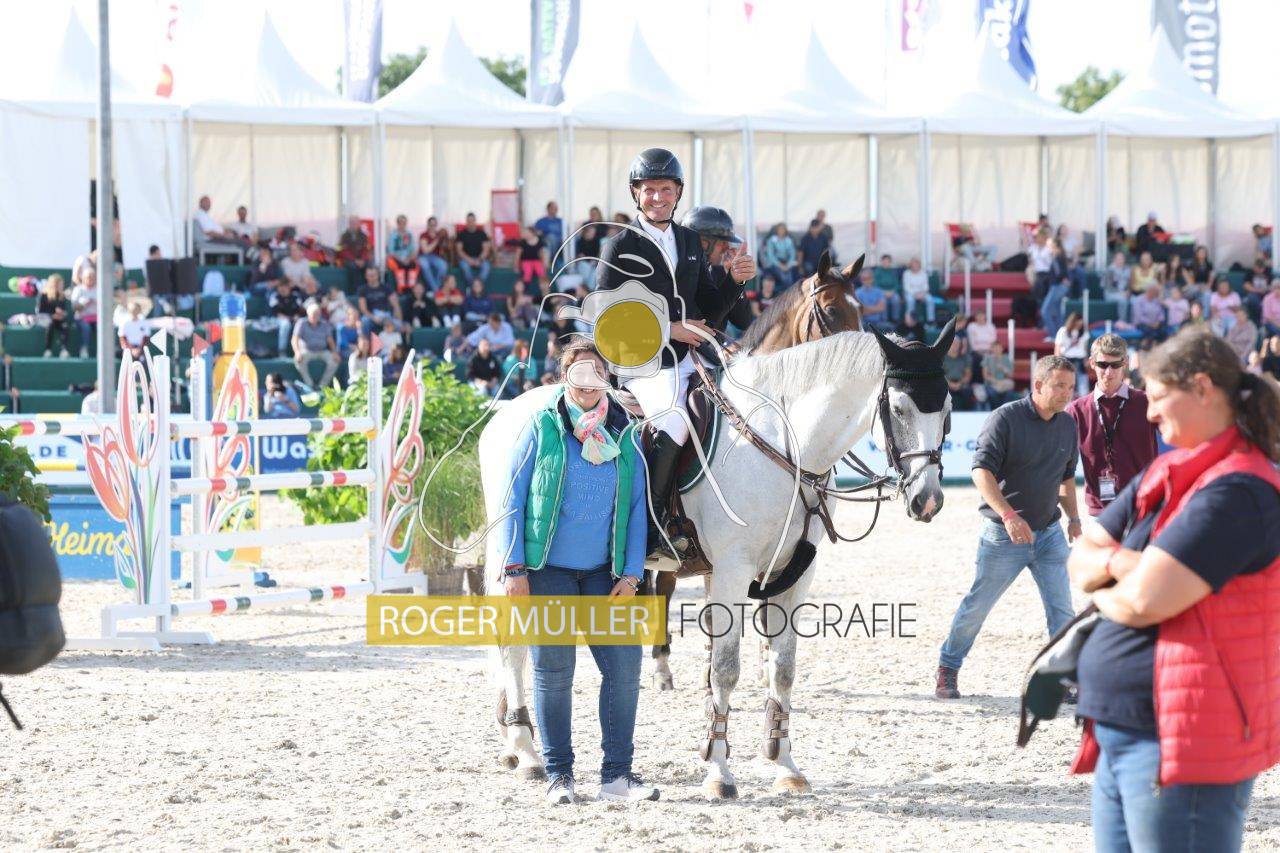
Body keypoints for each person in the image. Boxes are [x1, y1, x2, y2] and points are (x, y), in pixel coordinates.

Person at [1066, 330, 1280, 853]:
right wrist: (1125, 566)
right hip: (1124, 729)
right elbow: (1082, 556)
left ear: (1202, 388)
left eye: (1160, 397)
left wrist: (1107, 592)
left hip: (1184, 739)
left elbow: (1144, 603)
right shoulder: (1168, 470)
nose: (1152, 412)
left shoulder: (1240, 489)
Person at [495, 335, 655, 805]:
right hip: (547, 571)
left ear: (606, 379)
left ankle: (617, 776)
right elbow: (512, 499)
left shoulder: (625, 434)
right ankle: (560, 775)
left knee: (625, 669)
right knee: (553, 672)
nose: (587, 384)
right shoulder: (541, 427)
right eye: (578, 374)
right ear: (564, 377)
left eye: (596, 374)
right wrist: (513, 567)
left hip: (606, 574)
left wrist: (631, 573)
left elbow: (636, 508)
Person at [595, 148, 751, 559]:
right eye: (649, 189)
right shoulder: (619, 245)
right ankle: (652, 529)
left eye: (666, 189)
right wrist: (670, 329)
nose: (658, 197)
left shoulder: (688, 240)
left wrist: (733, 282)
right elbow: (606, 317)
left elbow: (708, 308)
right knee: (676, 420)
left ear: (678, 192)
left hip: (690, 357)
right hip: (643, 363)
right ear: (636, 193)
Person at [936, 356, 1082, 699]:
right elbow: (980, 471)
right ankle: (947, 668)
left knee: (1062, 610)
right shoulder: (1005, 419)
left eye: (1071, 387)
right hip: (1003, 536)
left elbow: (1066, 479)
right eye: (1060, 386)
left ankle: (1062, 679)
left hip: (1050, 535)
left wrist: (1075, 519)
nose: (1067, 394)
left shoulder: (1067, 424)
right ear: (1038, 385)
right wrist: (1009, 515)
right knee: (977, 607)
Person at [1066, 334, 1159, 519]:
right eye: (1103, 365)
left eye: (1115, 365)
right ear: (1092, 363)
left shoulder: (1148, 402)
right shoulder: (1076, 410)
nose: (1109, 372)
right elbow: (1060, 465)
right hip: (1099, 511)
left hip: (1143, 506)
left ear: (1125, 363)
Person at [679, 206, 756, 336]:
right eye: (722, 242)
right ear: (703, 243)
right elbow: (706, 319)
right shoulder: (678, 272)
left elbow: (743, 322)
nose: (727, 247)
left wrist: (734, 279)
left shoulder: (720, 272)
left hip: (714, 348)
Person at [291, 301, 340, 388]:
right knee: (298, 360)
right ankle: (309, 384)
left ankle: (323, 385)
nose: (315, 316)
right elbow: (295, 339)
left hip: (323, 351)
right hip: (307, 350)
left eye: (317, 314)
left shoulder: (324, 324)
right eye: (313, 314)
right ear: (308, 314)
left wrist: (334, 352)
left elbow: (330, 340)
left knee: (335, 361)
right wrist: (297, 352)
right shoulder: (301, 323)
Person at [356, 266, 404, 337]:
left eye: (374, 275)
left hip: (386, 315)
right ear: (366, 276)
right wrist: (374, 317)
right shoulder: (362, 289)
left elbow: (396, 305)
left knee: (399, 324)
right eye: (369, 275)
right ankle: (366, 343)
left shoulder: (386, 287)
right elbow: (363, 309)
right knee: (364, 321)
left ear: (378, 275)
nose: (372, 277)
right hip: (371, 316)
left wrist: (399, 320)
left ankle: (398, 344)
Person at [1054, 312, 1090, 396]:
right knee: (1067, 380)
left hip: (1079, 359)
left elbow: (1084, 348)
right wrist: (1057, 362)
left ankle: (1083, 397)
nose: (1079, 326)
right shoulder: (1063, 331)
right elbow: (1058, 347)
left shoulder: (1083, 332)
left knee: (1082, 380)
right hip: (1066, 359)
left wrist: (1086, 360)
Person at [38, 275, 72, 358]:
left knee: (65, 326)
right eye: (58, 284)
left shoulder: (62, 296)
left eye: (61, 284)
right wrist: (52, 315)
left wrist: (62, 314)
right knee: (50, 325)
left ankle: (64, 350)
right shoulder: (44, 295)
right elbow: (41, 310)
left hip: (59, 319)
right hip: (46, 319)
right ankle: (48, 349)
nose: (60, 286)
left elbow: (65, 310)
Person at [268, 279, 304, 356]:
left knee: (301, 322)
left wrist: (297, 315)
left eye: (284, 287)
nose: (282, 289)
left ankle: (303, 349)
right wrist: (290, 319)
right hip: (276, 319)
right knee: (285, 324)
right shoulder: (275, 296)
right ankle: (282, 351)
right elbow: (276, 313)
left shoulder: (295, 296)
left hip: (292, 318)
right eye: (280, 287)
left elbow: (300, 310)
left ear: (289, 287)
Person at [384, 214, 419, 292]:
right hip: (396, 257)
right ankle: (400, 289)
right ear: (397, 223)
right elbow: (391, 251)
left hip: (407, 258)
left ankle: (411, 288)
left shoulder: (409, 234)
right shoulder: (393, 235)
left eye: (404, 222)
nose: (402, 224)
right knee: (399, 266)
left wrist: (408, 258)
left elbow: (412, 249)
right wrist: (401, 260)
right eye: (400, 222)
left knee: (413, 265)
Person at [456, 213, 493, 284]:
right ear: (466, 222)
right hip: (466, 259)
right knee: (465, 267)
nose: (471, 223)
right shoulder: (461, 234)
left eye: (472, 221)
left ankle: (478, 285)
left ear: (475, 221)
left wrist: (479, 259)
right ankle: (472, 286)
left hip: (480, 258)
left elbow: (486, 249)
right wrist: (469, 260)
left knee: (486, 266)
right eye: (469, 221)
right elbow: (459, 250)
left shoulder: (482, 234)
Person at [69, 269, 98, 358]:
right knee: (86, 327)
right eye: (88, 277)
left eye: (92, 277)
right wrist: (83, 304)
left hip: (96, 318)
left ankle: (102, 351)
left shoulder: (99, 289)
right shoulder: (78, 289)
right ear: (83, 278)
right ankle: (84, 349)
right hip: (81, 317)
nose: (90, 279)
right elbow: (74, 307)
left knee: (103, 328)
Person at [416, 217, 450, 291]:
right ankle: (436, 290)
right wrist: (437, 240)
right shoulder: (423, 235)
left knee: (443, 266)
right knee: (425, 266)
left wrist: (445, 240)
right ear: (427, 225)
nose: (432, 227)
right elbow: (425, 250)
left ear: (436, 225)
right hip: (423, 257)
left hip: (435, 257)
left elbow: (445, 247)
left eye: (434, 225)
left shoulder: (439, 234)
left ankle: (436, 287)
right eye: (431, 225)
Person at [337, 216, 371, 288]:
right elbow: (344, 251)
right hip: (349, 260)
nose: (354, 225)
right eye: (352, 223)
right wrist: (355, 260)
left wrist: (362, 260)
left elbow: (365, 249)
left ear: (359, 224)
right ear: (349, 224)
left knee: (369, 266)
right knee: (353, 267)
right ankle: (355, 290)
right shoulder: (344, 236)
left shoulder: (364, 236)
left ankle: (367, 288)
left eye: (356, 223)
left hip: (361, 259)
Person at [760, 223, 798, 287]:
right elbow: (770, 256)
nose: (781, 231)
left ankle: (789, 290)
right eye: (780, 229)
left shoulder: (788, 240)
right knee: (784, 276)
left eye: (783, 229)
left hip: (786, 263)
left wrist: (788, 265)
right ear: (777, 230)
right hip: (774, 263)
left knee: (791, 275)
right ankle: (787, 290)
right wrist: (780, 265)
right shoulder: (771, 240)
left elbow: (792, 254)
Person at [942, 337, 975, 411]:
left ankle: (967, 413)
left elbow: (968, 374)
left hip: (961, 383)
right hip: (946, 383)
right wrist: (950, 384)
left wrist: (960, 383)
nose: (954, 346)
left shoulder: (965, 358)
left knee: (968, 391)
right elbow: (940, 375)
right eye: (952, 344)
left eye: (956, 344)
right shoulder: (942, 358)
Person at [1130, 285, 1166, 349]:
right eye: (1155, 292)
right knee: (1151, 332)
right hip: (1141, 324)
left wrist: (1158, 321)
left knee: (1163, 332)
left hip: (1156, 323)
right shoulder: (1138, 300)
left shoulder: (1156, 300)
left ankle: (1159, 348)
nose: (1156, 295)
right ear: (1148, 291)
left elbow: (1161, 313)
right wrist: (1151, 324)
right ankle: (1147, 348)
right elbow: (1139, 317)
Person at [981, 340, 1015, 407]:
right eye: (995, 348)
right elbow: (985, 375)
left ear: (1002, 349)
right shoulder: (987, 359)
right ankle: (996, 409)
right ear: (992, 349)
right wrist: (997, 382)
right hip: (991, 384)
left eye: (998, 348)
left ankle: (1004, 409)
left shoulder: (1006, 359)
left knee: (1010, 393)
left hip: (1004, 384)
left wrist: (1003, 369)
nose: (997, 350)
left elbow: (1011, 375)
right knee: (992, 393)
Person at [901, 257, 935, 323]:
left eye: (917, 264)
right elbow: (906, 287)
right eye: (913, 264)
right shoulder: (906, 273)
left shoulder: (923, 273)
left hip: (922, 293)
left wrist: (922, 294)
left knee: (930, 299)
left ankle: (930, 321)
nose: (915, 266)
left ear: (919, 265)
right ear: (911, 265)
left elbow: (926, 286)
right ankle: (910, 320)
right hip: (910, 293)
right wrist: (915, 294)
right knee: (910, 300)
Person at [533, 201, 565, 271]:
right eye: (553, 208)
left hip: (561, 243)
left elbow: (567, 232)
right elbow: (535, 233)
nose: (555, 210)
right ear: (548, 209)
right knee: (551, 237)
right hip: (547, 242)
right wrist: (538, 232)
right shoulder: (541, 221)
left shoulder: (561, 221)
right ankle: (552, 260)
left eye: (556, 208)